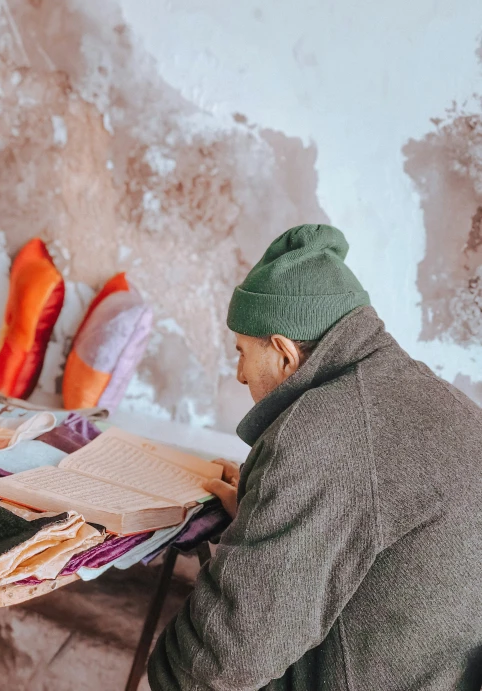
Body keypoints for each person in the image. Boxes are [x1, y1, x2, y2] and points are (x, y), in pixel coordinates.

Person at [148, 224, 482, 690]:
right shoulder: (445, 400)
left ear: (284, 352)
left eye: (242, 352)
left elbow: (219, 666)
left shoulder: (319, 433)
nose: (242, 374)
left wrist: (164, 669)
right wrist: (267, 510)